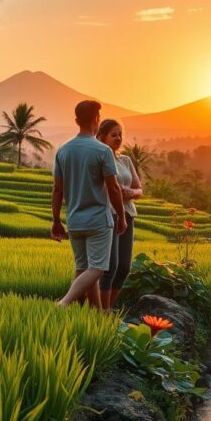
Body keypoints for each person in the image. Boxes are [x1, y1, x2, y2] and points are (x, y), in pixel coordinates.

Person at [51, 100, 127, 308]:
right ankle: (64, 303)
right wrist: (121, 216)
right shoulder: (102, 151)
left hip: (74, 220)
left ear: (77, 120)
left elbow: (58, 189)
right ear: (97, 119)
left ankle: (96, 315)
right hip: (98, 220)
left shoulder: (63, 151)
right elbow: (113, 188)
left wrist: (56, 220)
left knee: (83, 269)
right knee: (97, 269)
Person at [96, 119, 143, 310]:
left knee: (124, 267)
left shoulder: (126, 160)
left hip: (127, 213)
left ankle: (108, 307)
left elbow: (139, 188)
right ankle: (102, 311)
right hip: (109, 214)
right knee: (110, 266)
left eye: (120, 134)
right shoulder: (99, 159)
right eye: (113, 135)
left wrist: (130, 193)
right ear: (102, 137)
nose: (118, 138)